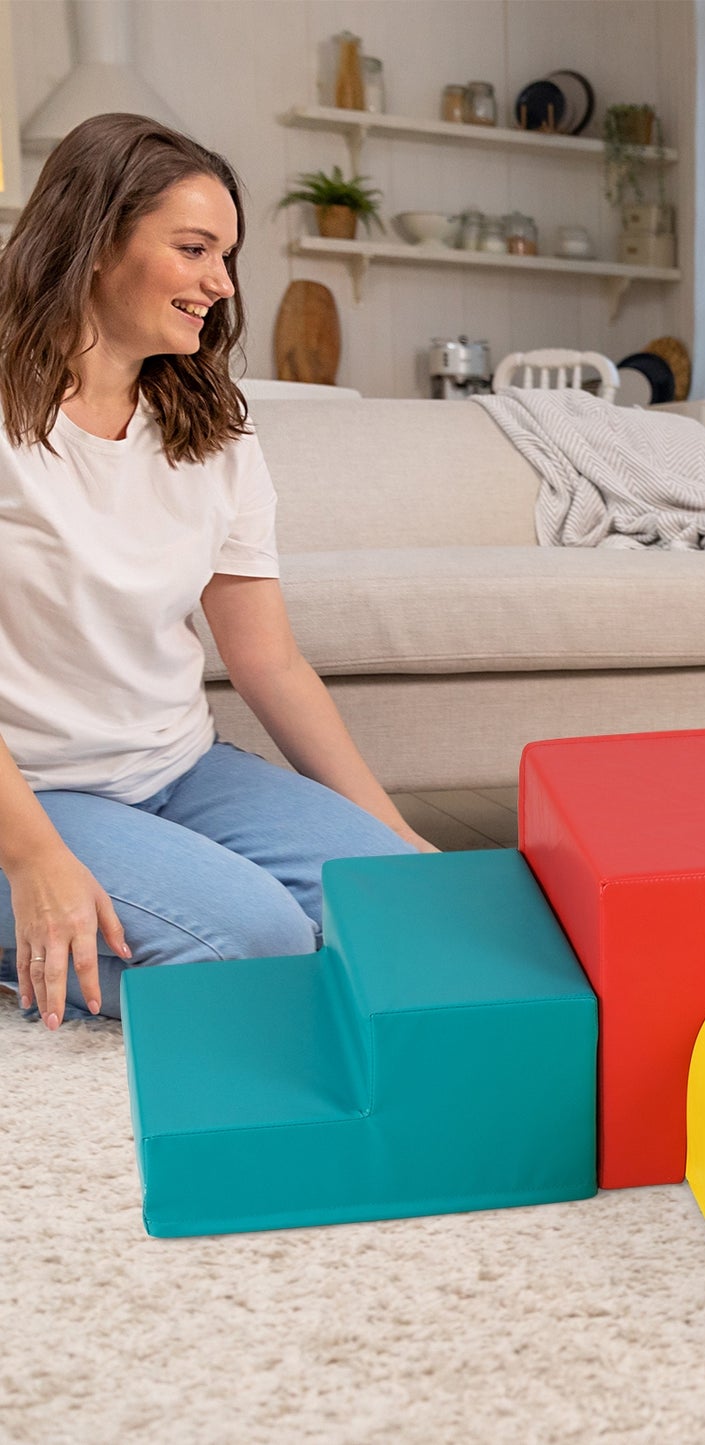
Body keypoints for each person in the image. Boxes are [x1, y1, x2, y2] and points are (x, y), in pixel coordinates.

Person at [0, 113, 435, 1032]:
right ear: (91, 241)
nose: (221, 284)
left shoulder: (212, 427)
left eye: (226, 255)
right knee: (254, 944)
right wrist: (36, 858)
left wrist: (391, 834)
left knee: (395, 909)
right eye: (194, 249)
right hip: (29, 792)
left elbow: (268, 662)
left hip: (176, 765)